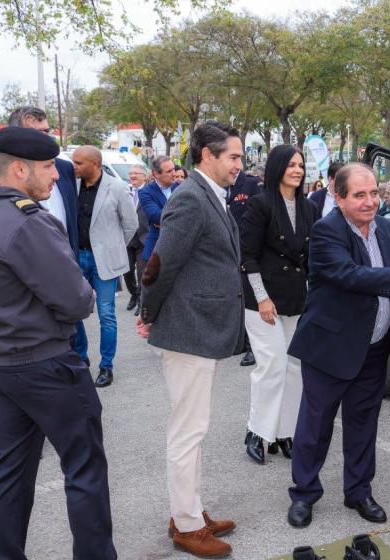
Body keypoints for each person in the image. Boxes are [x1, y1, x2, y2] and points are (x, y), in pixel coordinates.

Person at [0, 126, 116, 558]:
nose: (55, 177)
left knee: (11, 469)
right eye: (47, 168)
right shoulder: (28, 223)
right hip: (45, 365)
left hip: (1, 364)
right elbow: (78, 300)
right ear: (20, 169)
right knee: (84, 469)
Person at [285, 163, 390, 528]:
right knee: (316, 425)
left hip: (374, 349)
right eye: (359, 195)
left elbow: (389, 280)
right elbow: (349, 275)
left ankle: (358, 491)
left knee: (363, 424)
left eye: (374, 193)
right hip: (331, 349)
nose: (370, 202)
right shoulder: (326, 231)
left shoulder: (386, 228)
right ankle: (304, 495)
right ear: (338, 197)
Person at [138, 123, 245, 558]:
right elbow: (161, 263)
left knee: (194, 429)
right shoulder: (189, 197)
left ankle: (191, 509)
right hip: (189, 331)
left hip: (201, 329)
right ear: (206, 155)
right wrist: (148, 312)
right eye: (234, 157)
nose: (240, 164)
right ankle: (185, 525)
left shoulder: (206, 194)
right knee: (188, 432)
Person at [0, 105, 80, 385]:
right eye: (40, 132)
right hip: (23, 334)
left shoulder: (63, 168)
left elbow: (72, 218)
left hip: (64, 273)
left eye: (47, 132)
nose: (46, 139)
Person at [240, 144, 320, 464]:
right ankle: (257, 432)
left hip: (296, 299)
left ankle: (285, 433)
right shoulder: (260, 205)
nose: (298, 171)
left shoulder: (309, 208)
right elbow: (247, 255)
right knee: (271, 366)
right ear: (277, 169)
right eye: (291, 165)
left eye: (301, 165)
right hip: (263, 301)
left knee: (294, 369)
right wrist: (262, 298)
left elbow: (311, 259)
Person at [71, 146, 138, 388]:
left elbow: (131, 225)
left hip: (104, 262)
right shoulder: (72, 185)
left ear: (95, 164)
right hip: (77, 258)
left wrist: (113, 248)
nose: (74, 166)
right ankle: (80, 357)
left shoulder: (117, 187)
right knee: (74, 311)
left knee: (106, 314)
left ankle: (106, 366)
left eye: (79, 162)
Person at [228, 161, 265, 368]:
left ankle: (252, 347)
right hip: (225, 250)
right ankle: (239, 341)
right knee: (232, 297)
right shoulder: (219, 186)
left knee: (249, 298)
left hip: (246, 250)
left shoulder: (251, 185)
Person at [139, 156, 179, 262]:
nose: (174, 173)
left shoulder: (181, 188)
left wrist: (165, 221)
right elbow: (156, 216)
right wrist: (181, 216)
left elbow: (192, 214)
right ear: (156, 174)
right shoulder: (146, 192)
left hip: (181, 247)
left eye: (174, 169)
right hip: (157, 249)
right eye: (169, 171)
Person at [124, 164, 149, 312]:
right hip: (127, 238)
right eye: (130, 173)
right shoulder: (125, 191)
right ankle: (134, 294)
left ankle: (141, 300)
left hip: (144, 238)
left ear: (144, 176)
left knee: (141, 272)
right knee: (126, 271)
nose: (132, 176)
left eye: (136, 173)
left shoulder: (150, 192)